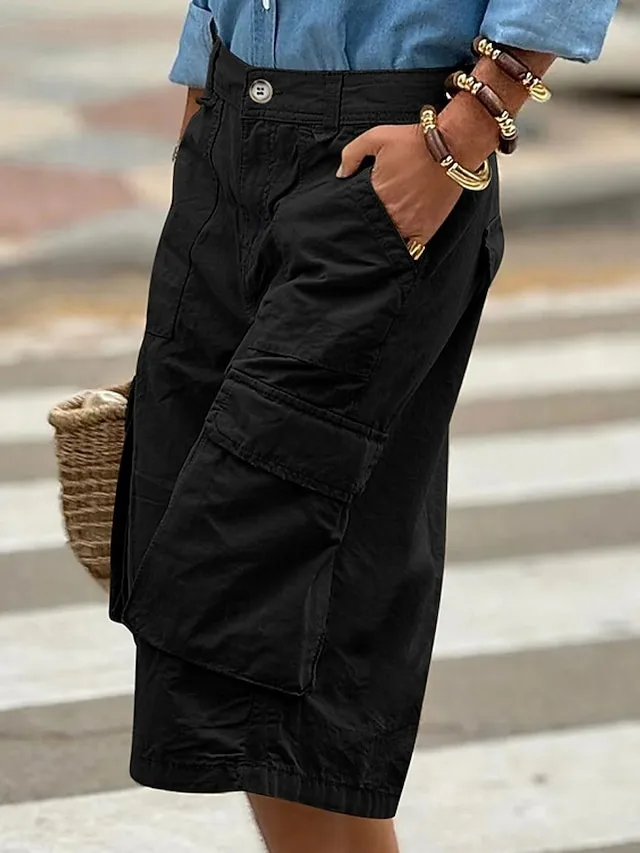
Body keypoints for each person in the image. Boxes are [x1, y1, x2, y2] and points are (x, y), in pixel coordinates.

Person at [108, 2, 617, 851]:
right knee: (246, 580)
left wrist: (468, 125)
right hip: (225, 135)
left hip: (387, 142)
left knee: (250, 568)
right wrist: (200, 112)